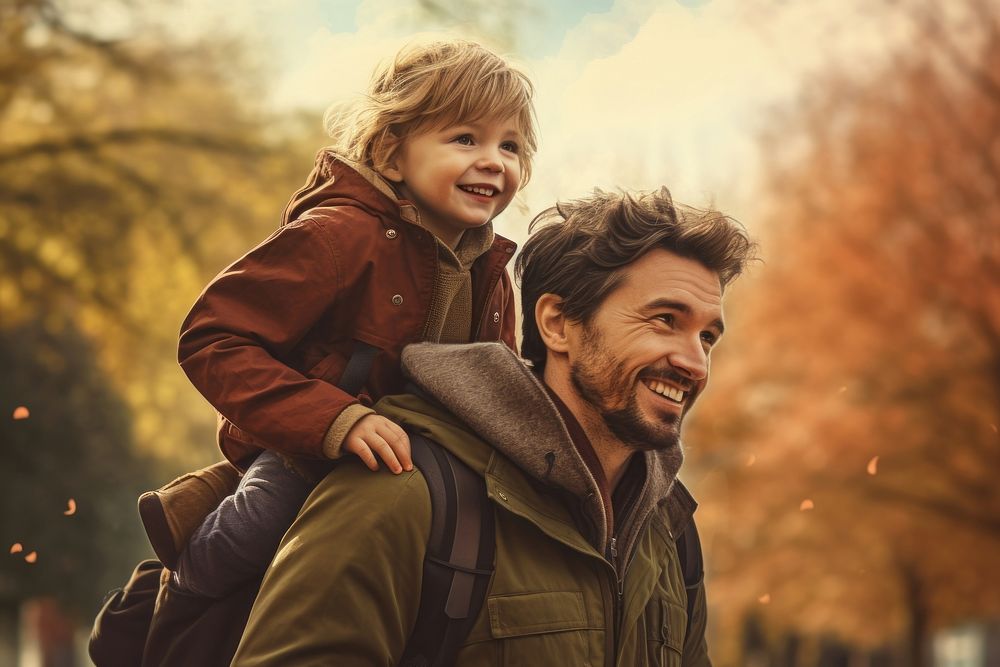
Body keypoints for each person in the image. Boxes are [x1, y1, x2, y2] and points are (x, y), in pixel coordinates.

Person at [231, 187, 758, 666]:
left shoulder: (669, 529)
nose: (694, 362)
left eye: (707, 336)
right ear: (557, 324)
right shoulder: (406, 491)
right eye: (665, 320)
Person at [142, 38, 537, 599]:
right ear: (391, 154)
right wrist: (336, 420)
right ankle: (168, 608)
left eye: (511, 146)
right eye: (465, 138)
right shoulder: (338, 237)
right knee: (249, 540)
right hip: (308, 457)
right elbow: (214, 338)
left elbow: (498, 385)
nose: (494, 160)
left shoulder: (493, 272)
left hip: (430, 467)